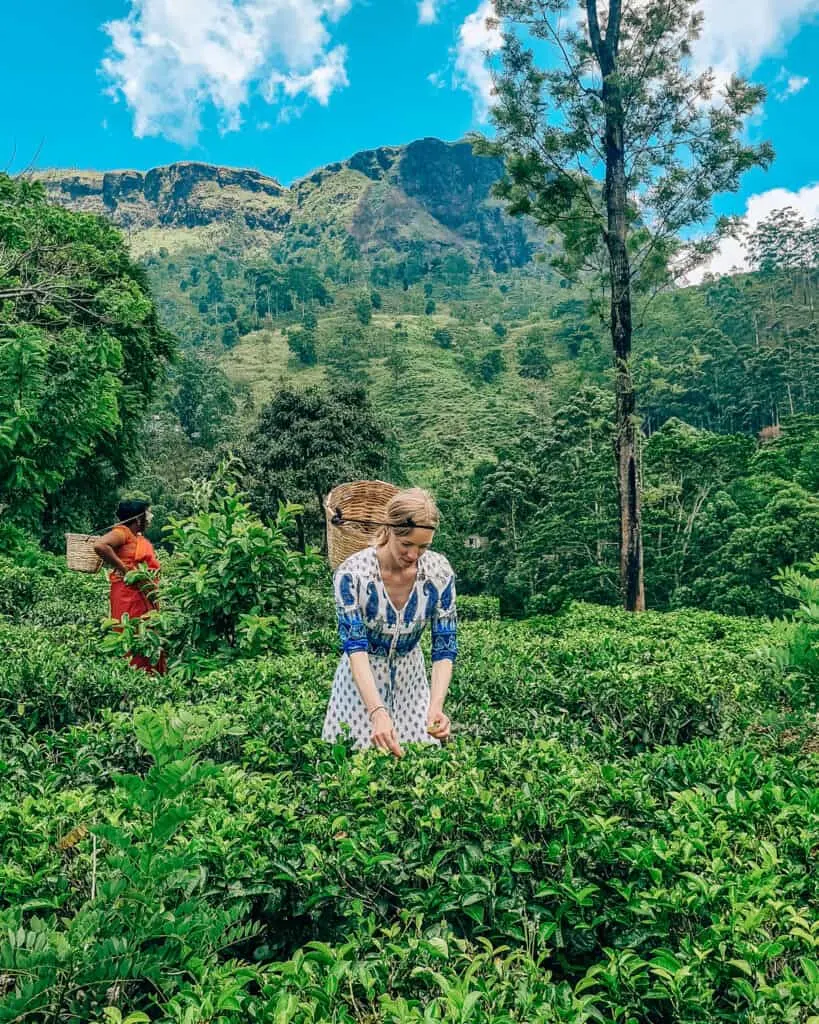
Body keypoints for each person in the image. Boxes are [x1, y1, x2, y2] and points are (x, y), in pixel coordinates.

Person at [322, 487, 457, 756]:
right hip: (360, 682)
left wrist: (436, 705)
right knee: (353, 766)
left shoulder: (439, 572)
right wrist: (377, 711)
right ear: (389, 531)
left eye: (424, 546)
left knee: (418, 764)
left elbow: (444, 646)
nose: (414, 554)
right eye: (407, 544)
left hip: (412, 679)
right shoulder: (353, 574)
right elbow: (355, 646)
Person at [93, 499, 167, 675]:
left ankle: (150, 676)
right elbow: (100, 545)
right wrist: (126, 571)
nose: (150, 518)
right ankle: (133, 677)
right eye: (147, 514)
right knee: (131, 633)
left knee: (147, 634)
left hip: (143, 593)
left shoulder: (136, 537)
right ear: (138, 518)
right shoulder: (122, 532)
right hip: (128, 594)